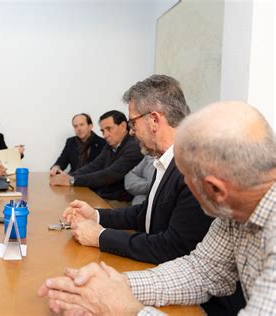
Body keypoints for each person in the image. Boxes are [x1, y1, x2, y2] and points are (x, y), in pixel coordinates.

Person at [38, 101, 274, 315]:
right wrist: (114, 286)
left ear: (216, 190)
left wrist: (126, 309)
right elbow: (202, 271)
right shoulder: (233, 211)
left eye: (190, 183)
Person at [62, 75, 213, 265]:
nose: (132, 131)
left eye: (133, 123)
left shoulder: (193, 168)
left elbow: (172, 248)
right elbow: (146, 213)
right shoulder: (166, 160)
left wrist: (100, 236)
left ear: (154, 120)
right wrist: (96, 214)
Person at [50, 110, 143, 207]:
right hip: (103, 195)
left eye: (109, 129)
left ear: (123, 126)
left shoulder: (134, 147)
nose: (105, 135)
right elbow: (94, 166)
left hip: (119, 201)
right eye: (103, 131)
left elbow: (109, 174)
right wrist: (67, 177)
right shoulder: (111, 145)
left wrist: (72, 180)